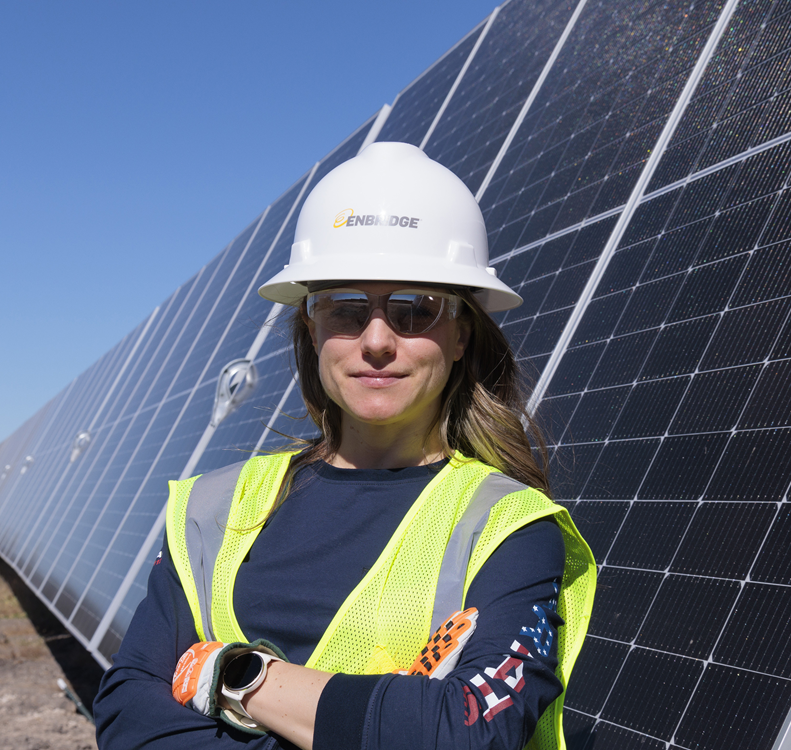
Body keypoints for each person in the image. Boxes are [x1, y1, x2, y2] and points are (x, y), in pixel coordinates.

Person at [93, 142, 596, 750]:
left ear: (461, 334)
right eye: (346, 308)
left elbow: (466, 733)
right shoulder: (211, 509)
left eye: (415, 310)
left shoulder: (506, 528)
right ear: (311, 325)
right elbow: (127, 713)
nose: (377, 340)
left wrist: (239, 677)